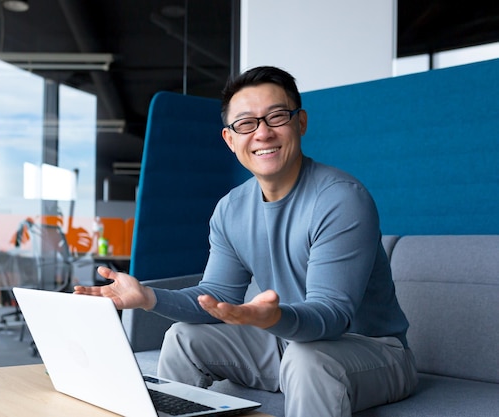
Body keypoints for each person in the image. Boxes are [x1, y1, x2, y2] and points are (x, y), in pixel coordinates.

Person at [74, 66, 418, 417]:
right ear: (230, 139)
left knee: (308, 357)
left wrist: (272, 318)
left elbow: (332, 315)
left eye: (277, 117)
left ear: (300, 123)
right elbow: (217, 295)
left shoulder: (341, 199)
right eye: (246, 123)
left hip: (374, 352)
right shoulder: (231, 209)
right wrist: (148, 297)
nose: (263, 133)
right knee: (183, 337)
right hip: (287, 343)